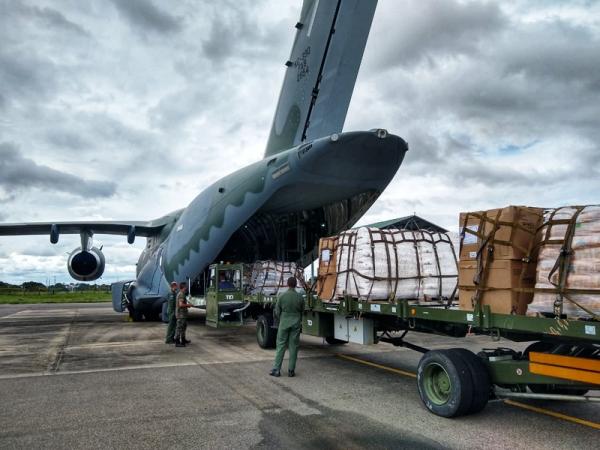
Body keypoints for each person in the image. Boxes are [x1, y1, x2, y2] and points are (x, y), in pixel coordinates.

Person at [270, 277, 304, 377]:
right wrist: (298, 319)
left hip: (284, 322)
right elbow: (302, 311)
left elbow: (277, 311)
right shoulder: (300, 297)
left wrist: (282, 318)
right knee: (293, 346)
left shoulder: (282, 296)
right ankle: (291, 371)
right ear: (296, 284)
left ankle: (276, 370)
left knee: (281, 345)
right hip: (296, 323)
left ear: (287, 284)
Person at [175, 282, 193, 347]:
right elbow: (181, 304)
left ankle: (183, 339)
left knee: (183, 327)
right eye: (186, 287)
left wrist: (187, 305)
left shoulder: (182, 294)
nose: (187, 288)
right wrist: (188, 305)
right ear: (184, 287)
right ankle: (177, 342)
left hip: (183, 314)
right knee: (179, 328)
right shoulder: (181, 295)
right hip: (181, 315)